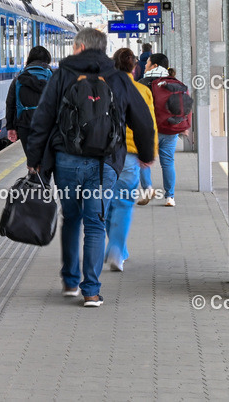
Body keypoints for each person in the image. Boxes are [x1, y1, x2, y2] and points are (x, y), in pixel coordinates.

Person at [25, 27, 155, 307]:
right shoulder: (119, 78)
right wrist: (145, 154)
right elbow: (142, 120)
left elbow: (42, 120)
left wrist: (34, 160)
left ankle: (71, 282)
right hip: (104, 163)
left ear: (81, 48)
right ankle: (91, 292)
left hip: (67, 160)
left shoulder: (61, 76)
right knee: (95, 223)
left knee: (71, 218)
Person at [105, 48, 158, 271]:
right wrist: (149, 154)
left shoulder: (101, 89)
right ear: (134, 67)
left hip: (104, 155)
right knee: (124, 203)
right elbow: (149, 125)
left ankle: (118, 248)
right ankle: (117, 250)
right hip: (130, 154)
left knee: (104, 203)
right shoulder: (142, 90)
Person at [138, 52, 181, 207]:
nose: (145, 66)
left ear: (154, 66)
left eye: (147, 63)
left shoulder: (143, 82)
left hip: (150, 130)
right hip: (170, 129)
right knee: (168, 162)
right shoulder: (174, 81)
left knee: (144, 161)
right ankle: (170, 197)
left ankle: (148, 189)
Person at [5, 46, 53, 156]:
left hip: (24, 123)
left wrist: (10, 127)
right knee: (46, 157)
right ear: (47, 59)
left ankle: (33, 171)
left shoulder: (19, 77)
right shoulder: (52, 76)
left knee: (32, 157)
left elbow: (10, 103)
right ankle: (41, 172)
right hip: (47, 122)